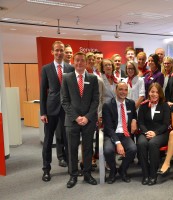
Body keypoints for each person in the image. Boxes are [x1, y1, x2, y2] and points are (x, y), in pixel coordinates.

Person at [61, 52, 99, 188]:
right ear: (73, 61)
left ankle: (87, 174)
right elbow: (64, 101)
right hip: (72, 120)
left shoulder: (93, 78)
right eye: (77, 60)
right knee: (72, 148)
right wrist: (76, 117)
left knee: (88, 148)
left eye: (82, 60)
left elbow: (95, 101)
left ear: (85, 62)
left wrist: (87, 117)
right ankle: (73, 175)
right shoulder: (67, 78)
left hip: (88, 121)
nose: (79, 63)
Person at [40, 41, 74, 182]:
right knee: (48, 141)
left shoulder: (70, 68)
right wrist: (43, 112)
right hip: (51, 109)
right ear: (52, 52)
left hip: (66, 110)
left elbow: (73, 92)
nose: (59, 53)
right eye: (57, 50)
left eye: (61, 50)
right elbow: (43, 91)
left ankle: (72, 169)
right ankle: (46, 169)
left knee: (68, 140)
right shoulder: (46, 69)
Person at [103, 82, 138, 184]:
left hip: (125, 134)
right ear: (116, 90)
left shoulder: (131, 103)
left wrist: (134, 120)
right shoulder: (108, 105)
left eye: (125, 90)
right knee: (108, 150)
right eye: (120, 89)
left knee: (133, 149)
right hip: (112, 134)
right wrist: (118, 143)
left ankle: (122, 170)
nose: (123, 92)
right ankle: (113, 171)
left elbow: (134, 115)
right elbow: (108, 128)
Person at [137, 83, 170, 186]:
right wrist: (147, 132)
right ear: (149, 93)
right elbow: (140, 122)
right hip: (146, 132)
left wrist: (155, 133)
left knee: (153, 144)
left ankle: (153, 174)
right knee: (141, 143)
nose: (154, 94)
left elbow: (166, 124)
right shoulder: (143, 105)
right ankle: (145, 174)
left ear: (160, 94)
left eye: (157, 92)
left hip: (161, 133)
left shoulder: (164, 105)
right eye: (152, 92)